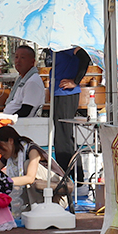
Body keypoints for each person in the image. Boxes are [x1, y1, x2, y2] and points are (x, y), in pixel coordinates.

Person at [0, 124, 61, 215]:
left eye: (0, 147)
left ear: (10, 141)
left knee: (27, 165)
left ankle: (37, 207)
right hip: (35, 195)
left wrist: (4, 181)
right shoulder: (9, 156)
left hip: (57, 195)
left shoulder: (32, 151)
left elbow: (30, 178)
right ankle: (32, 206)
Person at [48, 46, 91, 181]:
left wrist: (75, 81)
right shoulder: (52, 47)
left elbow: (84, 57)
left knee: (64, 138)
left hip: (66, 94)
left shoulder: (65, 44)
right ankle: (66, 176)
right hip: (57, 93)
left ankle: (76, 179)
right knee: (60, 138)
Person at [2, 45, 46, 117]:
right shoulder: (22, 79)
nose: (18, 61)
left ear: (32, 62)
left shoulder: (33, 82)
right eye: (16, 57)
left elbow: (25, 111)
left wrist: (9, 120)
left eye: (22, 58)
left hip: (20, 124)